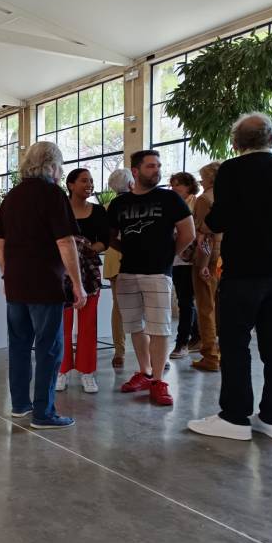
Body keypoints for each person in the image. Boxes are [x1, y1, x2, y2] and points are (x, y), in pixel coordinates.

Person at [188, 113, 272, 441]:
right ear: (271, 139)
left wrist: (208, 227)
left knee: (235, 344)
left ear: (236, 143)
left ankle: (235, 418)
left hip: (243, 272)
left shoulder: (233, 170)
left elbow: (220, 217)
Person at [0, 141, 86, 429]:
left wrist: (8, 273)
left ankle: (21, 405)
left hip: (16, 285)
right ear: (52, 166)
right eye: (59, 166)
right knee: (49, 347)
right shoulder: (52, 194)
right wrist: (77, 283)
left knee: (19, 345)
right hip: (45, 283)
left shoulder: (11, 197)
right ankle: (44, 413)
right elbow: (65, 241)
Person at [107, 150, 195, 406]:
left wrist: (169, 256)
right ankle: (144, 372)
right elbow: (112, 236)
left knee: (159, 327)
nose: (156, 170)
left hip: (158, 272)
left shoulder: (168, 198)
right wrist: (127, 251)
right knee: (134, 325)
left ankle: (158, 380)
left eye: (158, 166)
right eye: (150, 166)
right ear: (135, 171)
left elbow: (187, 232)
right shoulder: (119, 204)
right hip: (127, 272)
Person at [56, 168, 109, 394]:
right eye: (83, 181)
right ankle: (62, 370)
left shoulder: (97, 211)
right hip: (60, 272)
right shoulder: (58, 209)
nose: (89, 184)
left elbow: (105, 241)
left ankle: (87, 372)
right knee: (62, 323)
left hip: (88, 271)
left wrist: (84, 249)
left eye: (91, 181)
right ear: (70, 184)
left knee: (88, 323)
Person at [189, 162, 222, 371]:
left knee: (205, 307)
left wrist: (201, 264)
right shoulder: (229, 197)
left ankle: (210, 355)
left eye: (202, 177)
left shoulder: (204, 199)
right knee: (220, 307)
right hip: (225, 258)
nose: (200, 181)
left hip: (208, 258)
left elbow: (203, 236)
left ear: (210, 179)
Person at [168, 172, 201, 359]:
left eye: (178, 184)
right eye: (172, 185)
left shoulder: (195, 203)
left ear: (189, 185)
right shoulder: (175, 203)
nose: (174, 188)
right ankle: (196, 336)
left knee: (185, 301)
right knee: (186, 300)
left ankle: (182, 342)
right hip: (177, 258)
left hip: (189, 259)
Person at [104, 168, 134, 368]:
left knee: (118, 306)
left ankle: (119, 351)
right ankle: (152, 351)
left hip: (114, 257)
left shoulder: (106, 206)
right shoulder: (138, 202)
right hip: (137, 257)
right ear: (131, 182)